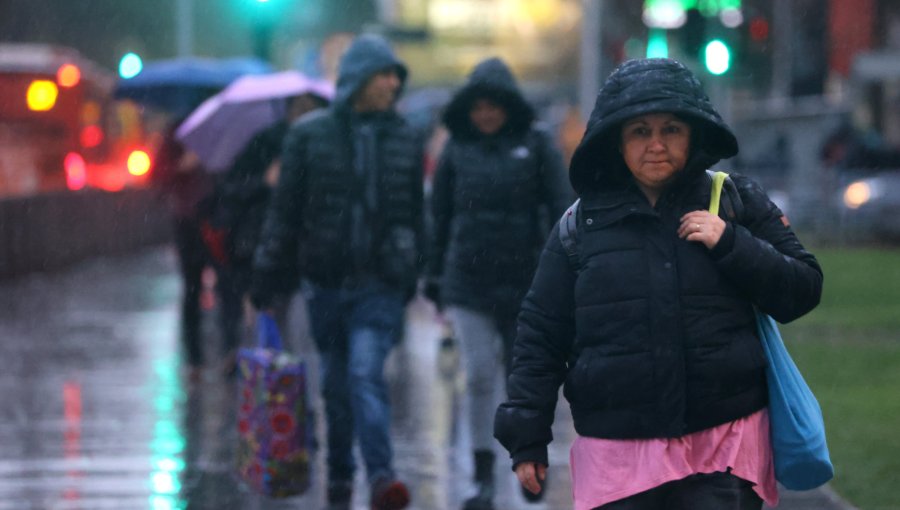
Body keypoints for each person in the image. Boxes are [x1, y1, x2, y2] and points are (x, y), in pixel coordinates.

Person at [493, 58, 824, 510]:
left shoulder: (734, 201)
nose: (656, 145)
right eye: (639, 132)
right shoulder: (578, 227)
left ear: (693, 134)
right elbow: (540, 335)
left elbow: (802, 288)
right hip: (617, 454)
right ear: (616, 141)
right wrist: (526, 437)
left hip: (722, 444)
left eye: (671, 129)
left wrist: (731, 243)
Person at [251, 34, 423, 510]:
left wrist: (414, 271)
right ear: (358, 81)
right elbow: (284, 214)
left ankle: (382, 477)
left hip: (380, 283)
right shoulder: (309, 136)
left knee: (366, 373)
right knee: (336, 387)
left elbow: (414, 212)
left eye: (395, 76)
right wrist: (266, 276)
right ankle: (342, 478)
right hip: (325, 284)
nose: (393, 84)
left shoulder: (405, 137)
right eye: (384, 74)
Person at [424, 57, 572, 510]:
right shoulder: (456, 150)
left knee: (523, 381)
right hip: (468, 284)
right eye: (478, 107)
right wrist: (432, 273)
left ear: (508, 106)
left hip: (527, 285)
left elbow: (561, 208)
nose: (485, 115)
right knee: (479, 378)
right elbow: (440, 217)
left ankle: (531, 462)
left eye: (494, 106)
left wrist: (564, 270)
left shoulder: (537, 143)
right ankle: (483, 476)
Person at [212, 91, 331, 347]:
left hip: (310, 253)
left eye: (311, 108)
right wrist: (264, 182)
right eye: (300, 107)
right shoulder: (265, 143)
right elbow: (232, 189)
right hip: (267, 247)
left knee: (303, 335)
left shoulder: (326, 146)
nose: (305, 114)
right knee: (271, 330)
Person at [150, 119, 217, 382]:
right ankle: (195, 359)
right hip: (188, 223)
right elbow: (157, 177)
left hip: (218, 221)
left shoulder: (217, 130)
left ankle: (231, 350)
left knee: (230, 287)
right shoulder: (174, 134)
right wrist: (181, 166)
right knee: (192, 289)